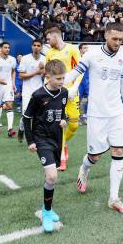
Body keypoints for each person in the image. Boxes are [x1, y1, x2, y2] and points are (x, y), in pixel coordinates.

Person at [63, 22, 123, 215]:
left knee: (118, 151)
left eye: (121, 39)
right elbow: (74, 75)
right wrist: (55, 84)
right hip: (96, 114)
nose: (118, 43)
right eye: (114, 39)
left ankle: (114, 198)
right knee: (95, 156)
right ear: (106, 36)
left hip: (116, 112)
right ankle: (84, 170)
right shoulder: (92, 54)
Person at [23, 59, 69, 232]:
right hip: (41, 139)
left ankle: (46, 208)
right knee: (51, 176)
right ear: (47, 77)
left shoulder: (63, 93)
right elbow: (27, 119)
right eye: (58, 79)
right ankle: (47, 212)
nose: (61, 82)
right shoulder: (38, 95)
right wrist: (31, 141)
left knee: (52, 178)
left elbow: (62, 111)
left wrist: (63, 120)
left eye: (63, 78)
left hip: (57, 138)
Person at [44, 26, 82, 171]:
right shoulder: (49, 53)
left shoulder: (72, 49)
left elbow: (80, 69)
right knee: (59, 124)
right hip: (56, 94)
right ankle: (61, 157)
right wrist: (46, 89)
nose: (47, 42)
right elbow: (47, 74)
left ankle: (62, 143)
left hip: (71, 92)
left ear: (55, 36)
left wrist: (75, 87)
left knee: (73, 125)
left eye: (48, 39)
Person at [17, 39, 45, 142]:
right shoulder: (25, 58)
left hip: (40, 91)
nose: (36, 47)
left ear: (41, 47)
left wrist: (43, 70)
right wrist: (36, 71)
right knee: (26, 115)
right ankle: (21, 129)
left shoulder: (45, 59)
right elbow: (21, 76)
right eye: (34, 45)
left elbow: (46, 75)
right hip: (27, 91)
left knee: (38, 115)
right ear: (32, 46)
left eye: (38, 45)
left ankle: (34, 138)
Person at [78, 44, 90, 126]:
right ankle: (79, 118)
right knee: (78, 100)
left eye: (87, 48)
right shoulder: (76, 58)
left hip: (87, 82)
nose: (86, 49)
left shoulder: (90, 58)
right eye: (84, 48)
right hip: (79, 83)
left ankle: (85, 118)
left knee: (87, 101)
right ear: (80, 50)